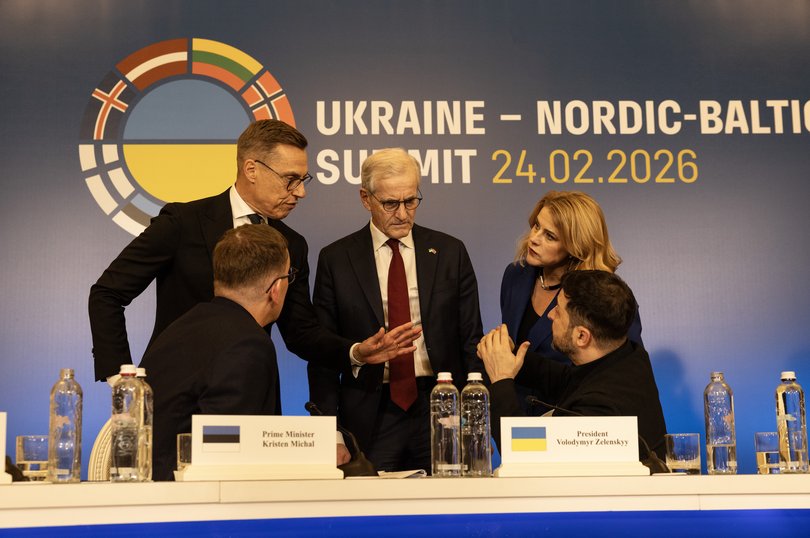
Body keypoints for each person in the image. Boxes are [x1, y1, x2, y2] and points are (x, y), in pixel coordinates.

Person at [89, 120, 418, 388]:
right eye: (290, 180)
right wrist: (121, 379)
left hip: (251, 398)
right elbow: (107, 293)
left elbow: (301, 333)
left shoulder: (292, 244)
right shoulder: (183, 223)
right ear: (251, 169)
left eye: (303, 180)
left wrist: (355, 352)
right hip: (177, 394)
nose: (301, 192)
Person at [307, 148, 484, 472]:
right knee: (367, 501)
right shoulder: (337, 259)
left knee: (449, 501)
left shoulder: (449, 252)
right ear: (366, 198)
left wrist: (476, 423)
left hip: (440, 404)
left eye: (411, 201)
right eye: (390, 203)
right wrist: (328, 432)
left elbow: (471, 339)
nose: (403, 213)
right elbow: (323, 353)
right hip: (370, 409)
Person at [140, 224, 291, 481]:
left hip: (154, 490)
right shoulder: (248, 344)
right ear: (275, 289)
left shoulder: (179, 328)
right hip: (191, 498)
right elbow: (229, 457)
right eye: (289, 276)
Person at [478, 270, 667, 460]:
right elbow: (566, 379)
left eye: (558, 311)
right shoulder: (630, 356)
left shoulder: (599, 409)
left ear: (581, 336)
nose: (550, 315)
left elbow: (525, 453)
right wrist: (511, 354)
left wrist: (501, 379)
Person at [501, 191, 642, 411]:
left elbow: (622, 375)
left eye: (550, 236)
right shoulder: (516, 275)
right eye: (537, 226)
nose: (534, 238)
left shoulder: (606, 297)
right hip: (514, 410)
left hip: (573, 416)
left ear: (576, 246)